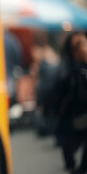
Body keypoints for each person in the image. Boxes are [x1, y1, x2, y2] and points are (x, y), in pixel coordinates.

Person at [46, 31, 87, 174]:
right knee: (69, 159)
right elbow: (56, 97)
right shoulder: (65, 71)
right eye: (79, 45)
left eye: (84, 42)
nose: (84, 47)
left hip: (81, 116)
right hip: (70, 119)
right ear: (72, 51)